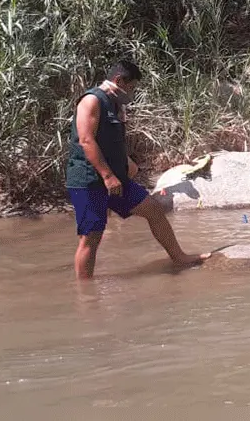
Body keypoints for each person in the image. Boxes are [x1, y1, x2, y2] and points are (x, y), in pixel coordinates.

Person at [66, 60, 208, 279]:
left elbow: (110, 140)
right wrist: (108, 175)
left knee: (153, 210)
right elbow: (86, 141)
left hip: (115, 178)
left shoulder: (115, 104)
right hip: (89, 180)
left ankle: (180, 258)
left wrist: (126, 162)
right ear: (119, 81)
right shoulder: (92, 101)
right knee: (91, 237)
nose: (132, 93)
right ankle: (85, 293)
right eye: (131, 88)